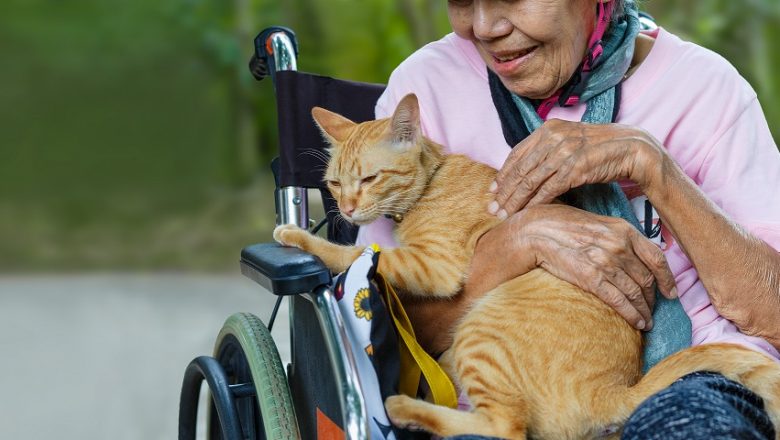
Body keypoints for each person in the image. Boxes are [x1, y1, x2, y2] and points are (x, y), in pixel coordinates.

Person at [356, 0, 780, 438]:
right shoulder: (425, 87)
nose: (483, 27)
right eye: (462, 0)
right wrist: (518, 241)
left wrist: (652, 164)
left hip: (692, 372)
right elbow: (377, 335)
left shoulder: (705, 87)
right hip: (495, 404)